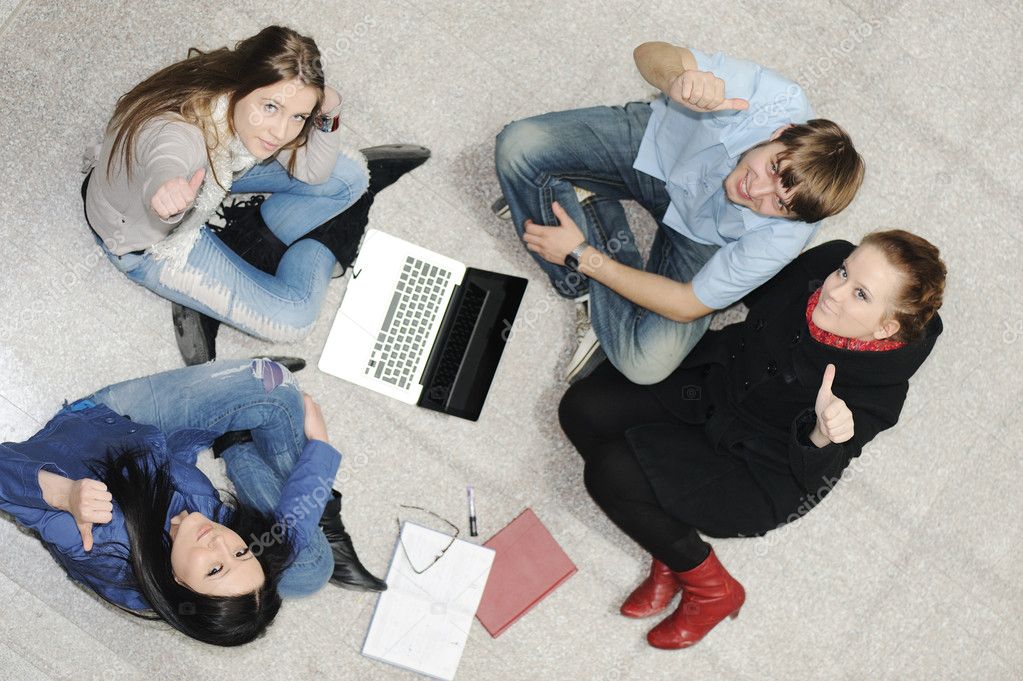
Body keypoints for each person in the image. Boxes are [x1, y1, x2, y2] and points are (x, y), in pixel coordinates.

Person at [558, 230, 946, 649]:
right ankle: (666, 542)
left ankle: (712, 590)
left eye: (861, 295)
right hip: (714, 388)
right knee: (581, 408)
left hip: (758, 467)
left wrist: (821, 432)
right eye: (844, 272)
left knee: (611, 474)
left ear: (886, 327)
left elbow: (816, 471)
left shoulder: (880, 393)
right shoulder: (826, 263)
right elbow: (753, 290)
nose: (834, 291)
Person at [494, 41, 864, 385]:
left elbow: (688, 304)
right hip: (657, 149)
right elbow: (649, 53)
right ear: (783, 131)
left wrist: (583, 255)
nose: (756, 191)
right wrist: (677, 78)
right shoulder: (773, 99)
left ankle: (586, 237)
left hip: (699, 239)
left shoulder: (782, 241)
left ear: (792, 220)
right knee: (518, 146)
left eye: (779, 205)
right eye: (772, 168)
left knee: (646, 364)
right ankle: (587, 286)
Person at [80, 25, 430, 365]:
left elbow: (314, 172)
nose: (280, 132)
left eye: (299, 116)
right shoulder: (180, 132)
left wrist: (330, 110)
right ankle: (310, 231)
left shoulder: (233, 96)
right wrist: (168, 193)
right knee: (295, 316)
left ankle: (245, 245)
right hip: (151, 239)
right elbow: (166, 156)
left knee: (350, 178)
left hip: (213, 176)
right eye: (271, 107)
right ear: (242, 85)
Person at [0, 358, 385, 646]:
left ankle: (238, 445)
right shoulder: (213, 541)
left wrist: (63, 494)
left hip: (102, 427)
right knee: (311, 568)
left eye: (214, 569)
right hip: (167, 448)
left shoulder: (98, 535)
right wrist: (320, 450)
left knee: (274, 387)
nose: (221, 542)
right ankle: (248, 453)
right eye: (241, 555)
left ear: (178, 584)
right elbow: (287, 537)